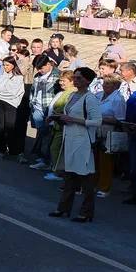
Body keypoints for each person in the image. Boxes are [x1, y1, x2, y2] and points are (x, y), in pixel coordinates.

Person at [49, 68, 102, 223]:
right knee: (69, 176)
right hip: (70, 139)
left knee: (85, 179)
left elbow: (97, 121)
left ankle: (86, 212)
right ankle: (63, 208)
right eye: (74, 77)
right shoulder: (72, 95)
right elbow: (69, 115)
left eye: (78, 78)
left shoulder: (90, 98)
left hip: (83, 142)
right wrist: (57, 117)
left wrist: (74, 120)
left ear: (87, 81)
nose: (75, 80)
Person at [0, 56, 26, 158]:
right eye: (4, 65)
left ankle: (13, 150)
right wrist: (1, 89)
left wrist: (1, 90)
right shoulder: (2, 75)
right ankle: (1, 150)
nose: (5, 67)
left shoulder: (18, 78)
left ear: (13, 65)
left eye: (7, 65)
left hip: (11, 104)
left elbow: (12, 92)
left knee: (10, 127)